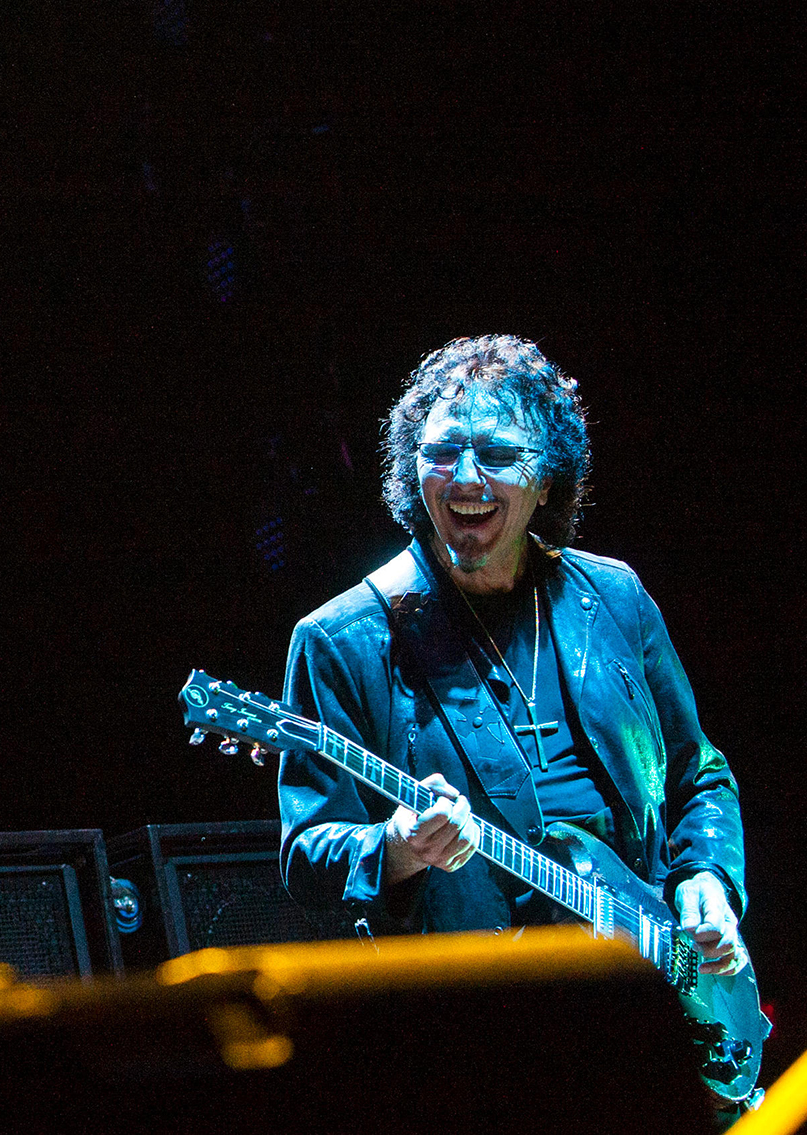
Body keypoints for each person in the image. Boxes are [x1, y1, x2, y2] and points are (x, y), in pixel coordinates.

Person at [277, 335, 748, 973]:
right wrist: (398, 845)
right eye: (443, 452)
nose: (466, 477)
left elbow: (700, 775)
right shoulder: (342, 641)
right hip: (475, 993)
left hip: (648, 975)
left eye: (498, 454)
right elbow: (306, 856)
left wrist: (707, 876)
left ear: (547, 481)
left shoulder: (615, 598)